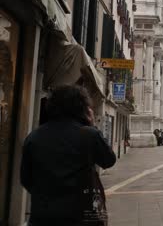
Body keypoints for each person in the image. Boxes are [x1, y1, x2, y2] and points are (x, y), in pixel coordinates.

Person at [20, 85, 116, 226]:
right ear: (82, 108)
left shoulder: (33, 137)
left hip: (42, 216)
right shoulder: (89, 135)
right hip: (80, 216)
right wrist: (92, 125)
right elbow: (108, 160)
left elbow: (26, 179)